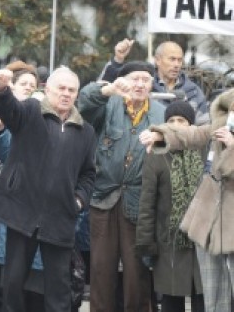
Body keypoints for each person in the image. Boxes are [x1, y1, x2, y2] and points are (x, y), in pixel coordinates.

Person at [0, 65, 96, 312]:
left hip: (60, 217)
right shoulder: (29, 112)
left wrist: (78, 200)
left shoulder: (86, 131)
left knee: (59, 289)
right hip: (21, 212)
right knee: (13, 285)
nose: (66, 94)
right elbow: (7, 109)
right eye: (61, 88)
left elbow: (89, 174)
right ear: (47, 89)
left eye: (72, 90)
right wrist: (1, 89)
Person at [78, 61, 165, 312]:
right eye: (134, 78)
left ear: (151, 84)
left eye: (145, 80)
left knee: (137, 274)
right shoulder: (109, 104)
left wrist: (163, 137)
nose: (139, 84)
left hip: (140, 203)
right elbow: (84, 102)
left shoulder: (160, 113)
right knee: (101, 270)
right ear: (124, 81)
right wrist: (108, 89)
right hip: (104, 199)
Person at [139, 89, 234, 312]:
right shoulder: (222, 124)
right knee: (216, 303)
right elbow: (192, 134)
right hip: (211, 229)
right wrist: (160, 135)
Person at [0, 60, 45, 312]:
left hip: (39, 205)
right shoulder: (5, 118)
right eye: (23, 84)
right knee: (8, 280)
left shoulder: (42, 114)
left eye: (33, 85)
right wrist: (0, 126)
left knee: (35, 285)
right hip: (12, 203)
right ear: (11, 87)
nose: (29, 89)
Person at [136, 100, 204, 312]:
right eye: (171, 121)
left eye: (181, 120)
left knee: (203, 298)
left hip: (202, 242)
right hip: (169, 242)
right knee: (171, 301)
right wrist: (146, 244)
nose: (175, 125)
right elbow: (147, 204)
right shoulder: (156, 155)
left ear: (191, 125)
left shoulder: (203, 150)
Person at [99, 39, 209, 124]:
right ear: (157, 60)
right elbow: (102, 90)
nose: (176, 65)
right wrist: (118, 60)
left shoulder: (193, 92)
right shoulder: (142, 85)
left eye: (180, 60)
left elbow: (202, 128)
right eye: (172, 59)